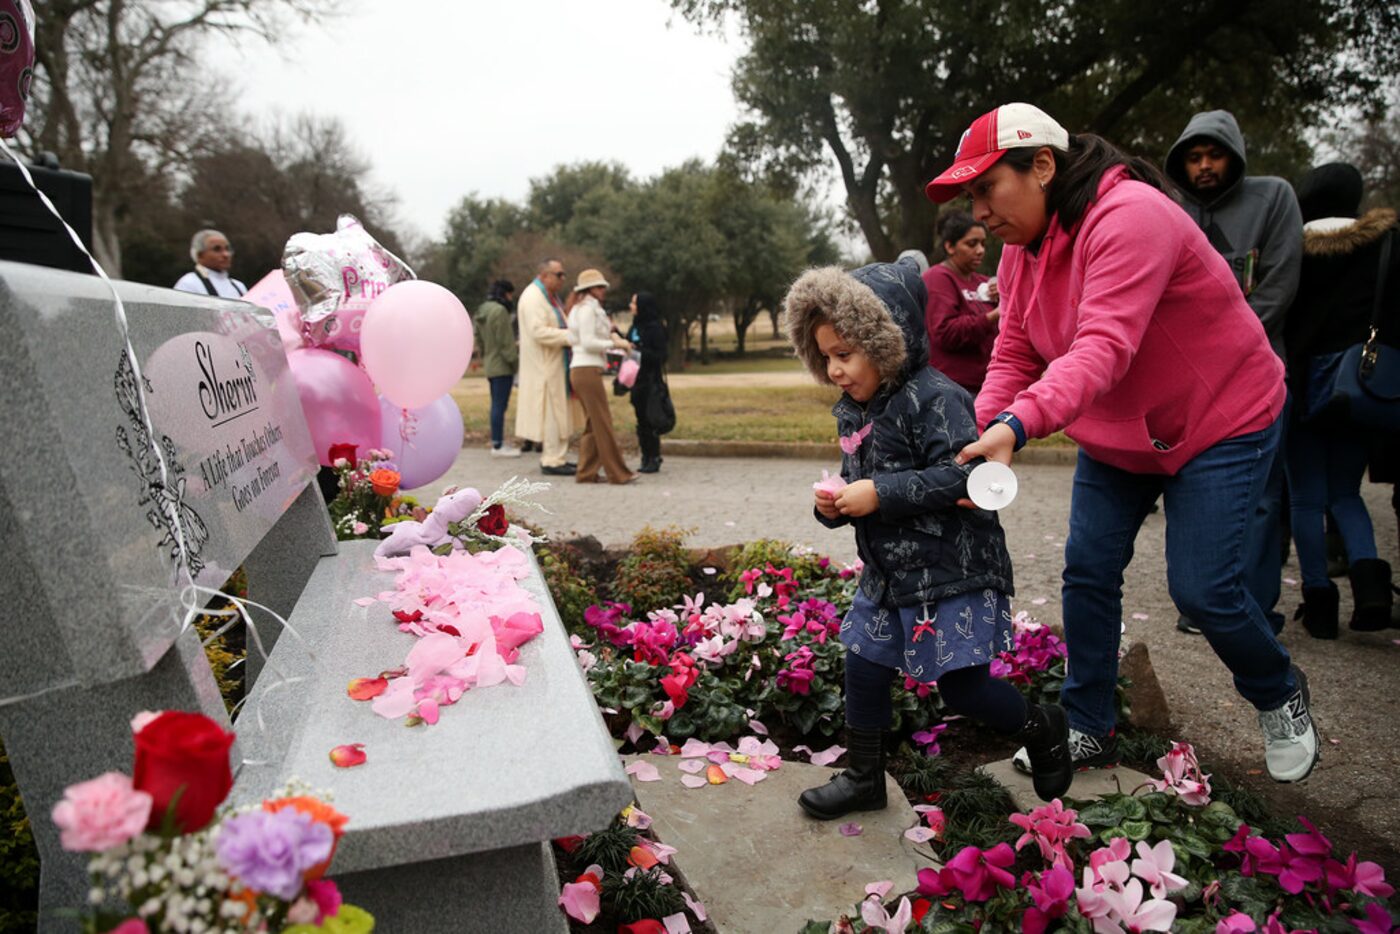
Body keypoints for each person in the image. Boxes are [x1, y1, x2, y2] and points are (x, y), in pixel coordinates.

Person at [929, 102, 1318, 784]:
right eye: (970, 197)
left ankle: (1278, 692)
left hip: (1219, 418)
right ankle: (1086, 727)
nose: (980, 212)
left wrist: (1018, 426)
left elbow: (1103, 347)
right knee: (1087, 569)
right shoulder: (1023, 254)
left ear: (1042, 165)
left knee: (1203, 590)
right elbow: (1015, 350)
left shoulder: (1130, 216)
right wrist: (979, 428)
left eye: (987, 188)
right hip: (1119, 434)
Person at [783, 255, 1072, 819]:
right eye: (825, 357)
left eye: (846, 354)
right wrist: (838, 505)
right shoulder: (854, 409)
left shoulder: (937, 398)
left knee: (963, 688)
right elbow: (862, 481)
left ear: (886, 342)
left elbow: (967, 475)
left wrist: (880, 493)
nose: (835, 370)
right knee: (862, 662)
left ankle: (1041, 725)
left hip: (951, 570)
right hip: (890, 572)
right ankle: (866, 776)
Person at [1166, 111, 1304, 636]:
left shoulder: (1273, 198)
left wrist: (1222, 342)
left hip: (1255, 371)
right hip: (1185, 378)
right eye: (1194, 157)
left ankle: (1255, 606)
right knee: (1189, 486)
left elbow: (1279, 284)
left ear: (1235, 155)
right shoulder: (1170, 206)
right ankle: (1201, 601)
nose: (1204, 166)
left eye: (1214, 155)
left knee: (1263, 496)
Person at [1284, 162, 1399, 636]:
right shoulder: (1384, 244)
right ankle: (1370, 587)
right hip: (1360, 385)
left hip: (1306, 382)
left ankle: (1321, 603)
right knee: (1346, 491)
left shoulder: (1293, 249)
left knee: (1307, 498)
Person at [568, 269, 635, 484]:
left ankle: (586, 472)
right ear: (589, 290)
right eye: (598, 287)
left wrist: (611, 336)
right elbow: (588, 342)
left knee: (592, 423)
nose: (602, 290)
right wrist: (615, 343)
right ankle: (617, 472)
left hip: (583, 369)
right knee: (602, 422)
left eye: (602, 286)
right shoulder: (587, 310)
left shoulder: (583, 309)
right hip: (587, 368)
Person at [922, 211, 1000, 393]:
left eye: (982, 243)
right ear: (950, 247)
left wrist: (1004, 296)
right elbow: (945, 332)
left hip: (988, 385)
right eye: (971, 244)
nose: (980, 250)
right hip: (955, 389)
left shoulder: (983, 281)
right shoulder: (937, 278)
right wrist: (993, 316)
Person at [515, 257, 577, 476]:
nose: (562, 279)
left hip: (555, 364)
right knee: (552, 415)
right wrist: (571, 337)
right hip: (545, 366)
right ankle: (551, 460)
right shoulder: (533, 297)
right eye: (558, 274)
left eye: (563, 274)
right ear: (544, 275)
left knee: (559, 413)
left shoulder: (548, 297)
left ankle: (558, 456)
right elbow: (538, 331)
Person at [475, 279, 520, 458]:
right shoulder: (500, 311)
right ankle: (498, 445)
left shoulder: (482, 310)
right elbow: (505, 342)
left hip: (490, 364)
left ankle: (497, 441)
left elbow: (479, 338)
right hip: (502, 366)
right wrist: (515, 363)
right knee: (500, 406)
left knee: (496, 404)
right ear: (505, 293)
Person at [628, 291, 670, 473]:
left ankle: (654, 456)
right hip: (635, 380)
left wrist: (639, 351)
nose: (631, 306)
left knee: (651, 419)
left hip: (651, 380)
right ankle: (645, 456)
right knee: (640, 421)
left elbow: (660, 356)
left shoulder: (655, 328)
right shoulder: (635, 327)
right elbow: (629, 345)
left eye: (634, 303)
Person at [172, 229, 246, 298]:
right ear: (200, 255)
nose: (226, 255)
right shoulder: (189, 284)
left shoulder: (239, 286)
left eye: (227, 248)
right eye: (217, 249)